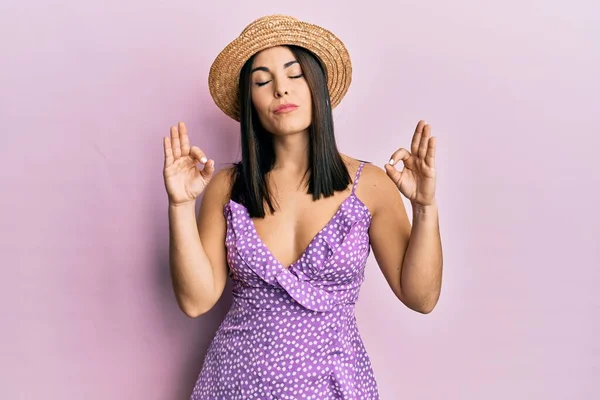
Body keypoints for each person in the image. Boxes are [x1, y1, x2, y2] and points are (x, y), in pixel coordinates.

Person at [163, 14, 443, 400]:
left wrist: (424, 208)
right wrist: (179, 205)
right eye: (262, 81)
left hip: (334, 386)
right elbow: (196, 301)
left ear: (319, 88)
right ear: (251, 104)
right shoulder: (227, 188)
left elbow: (421, 297)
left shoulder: (371, 185)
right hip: (233, 384)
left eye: (294, 75)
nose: (280, 90)